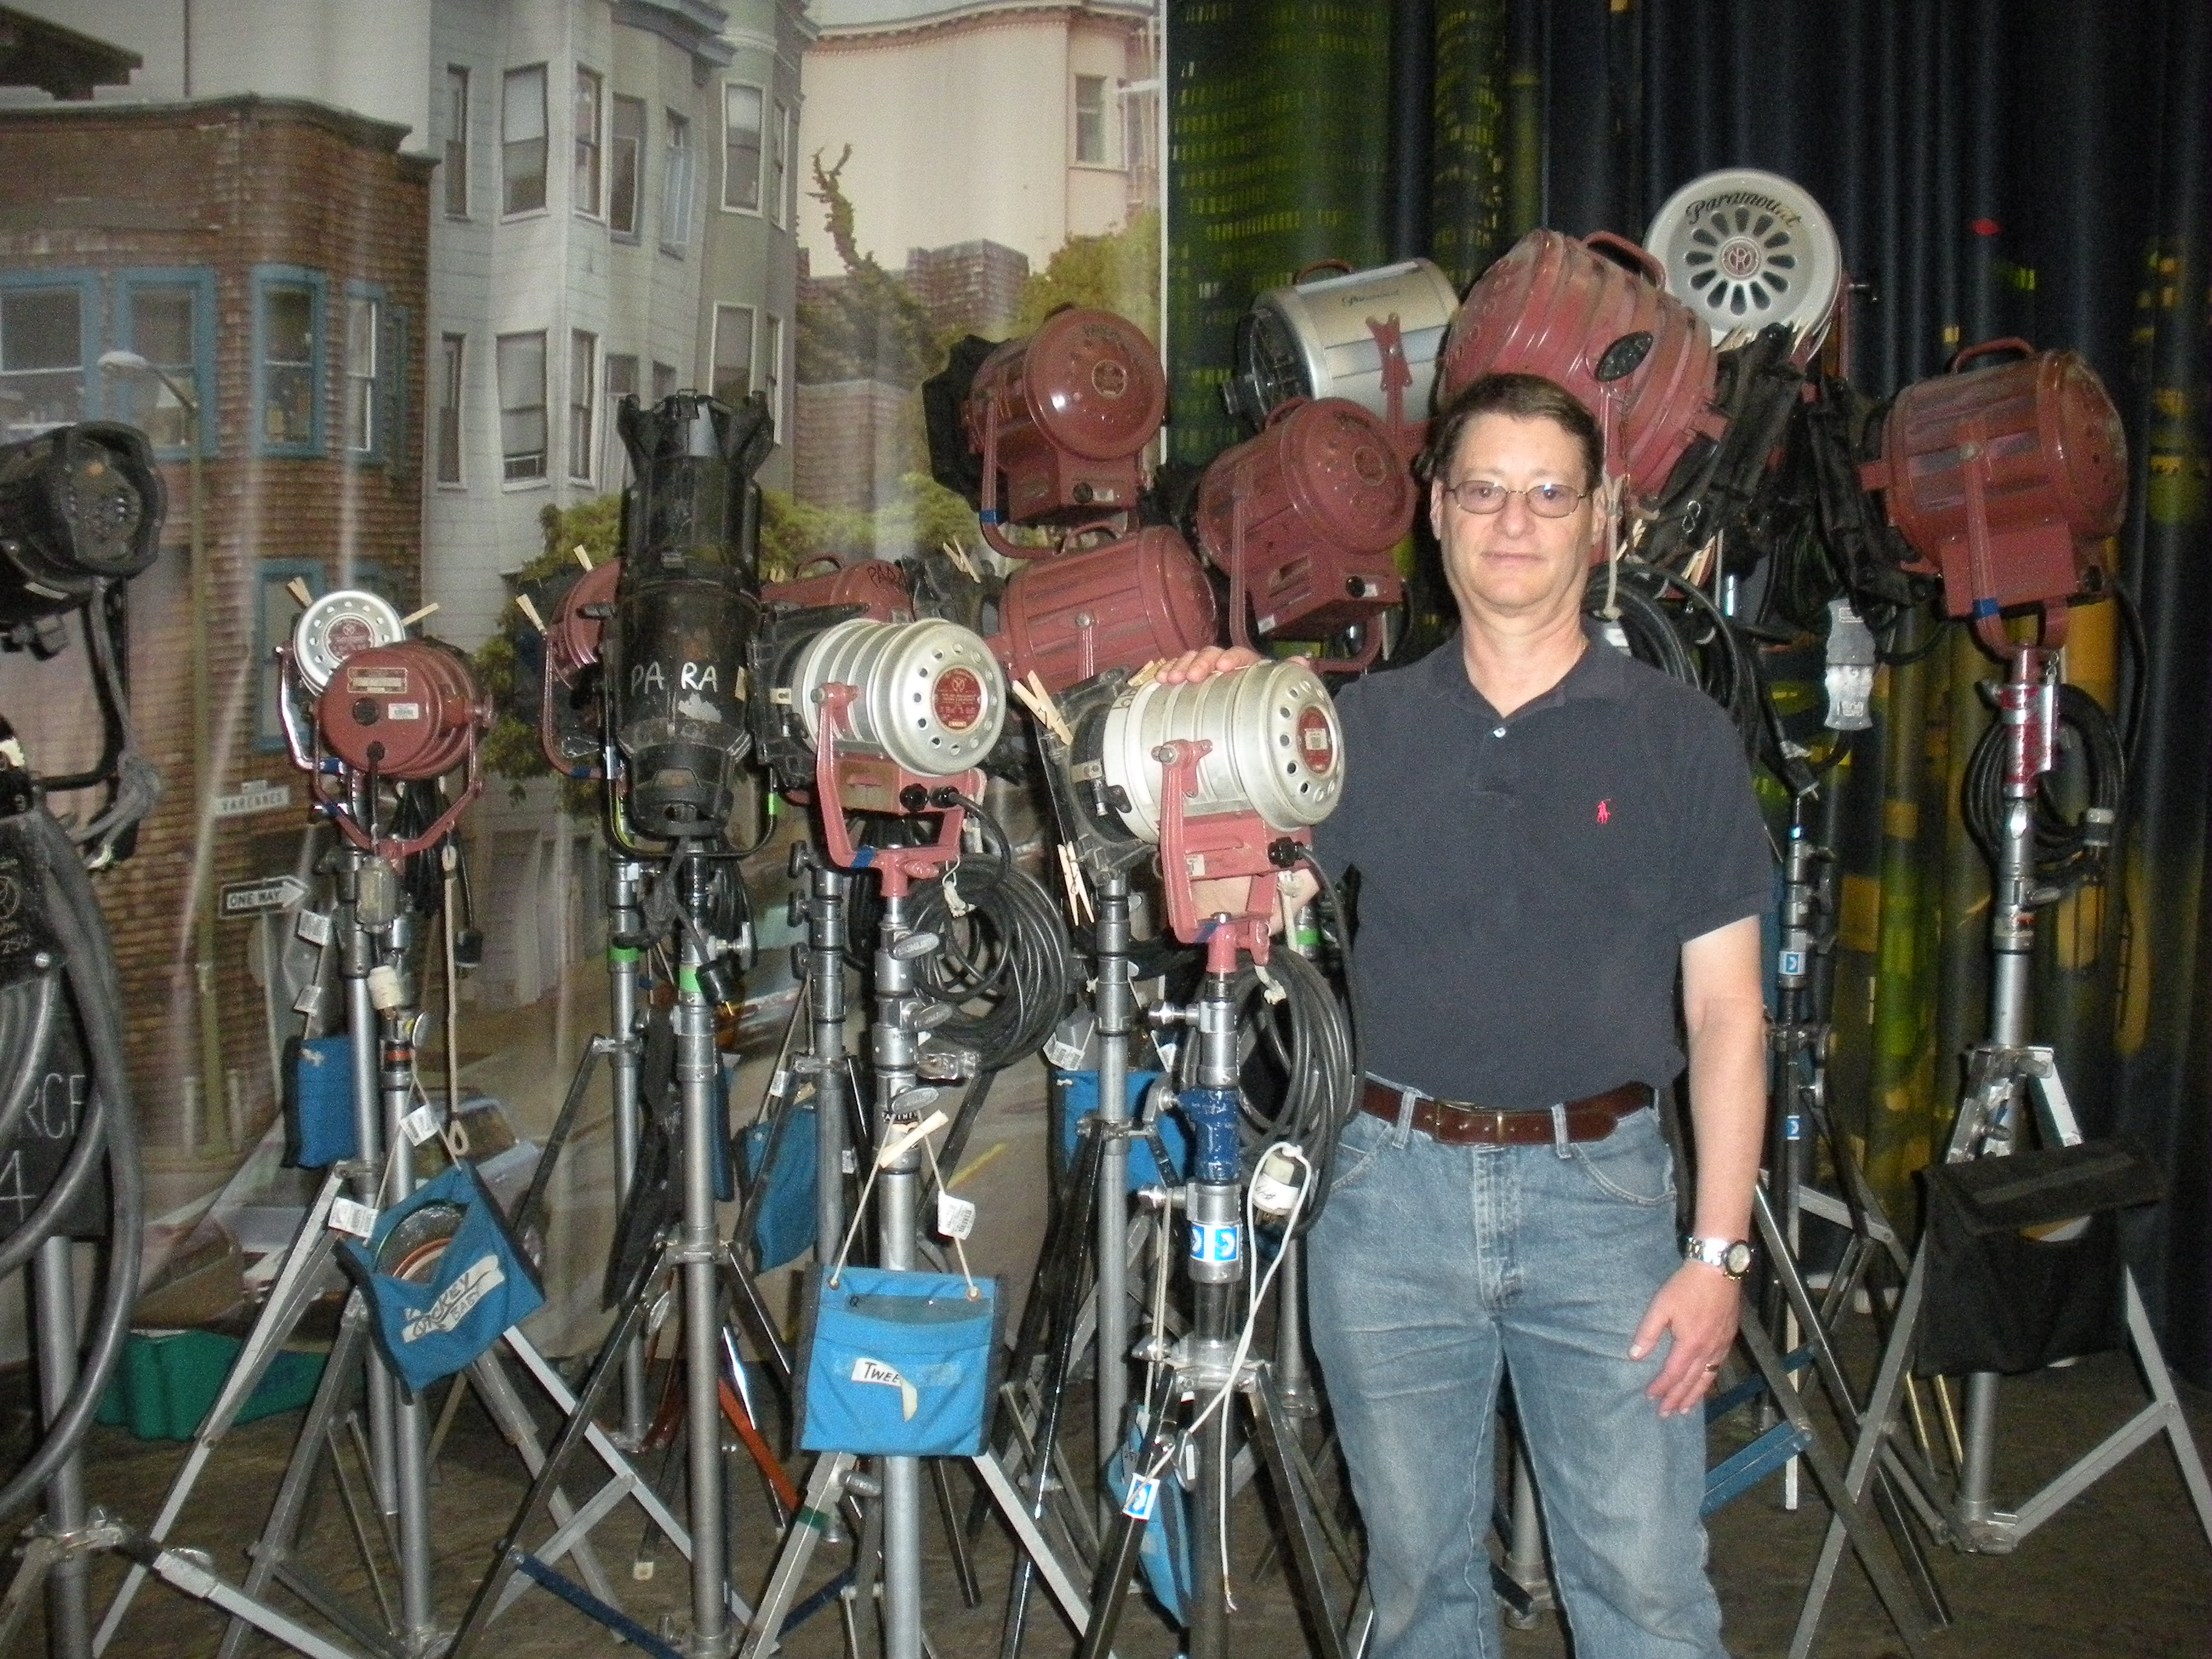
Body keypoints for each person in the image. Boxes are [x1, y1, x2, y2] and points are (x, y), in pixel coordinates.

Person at [1162, 371, 1771, 1658]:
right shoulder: (1349, 734)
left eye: (1549, 495)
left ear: (1599, 518)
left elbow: (1727, 1016)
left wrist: (1717, 1258)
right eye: (1483, 491)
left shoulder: (1678, 739)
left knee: (1648, 1597)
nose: (1514, 522)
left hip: (1604, 1206)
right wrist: (1213, 732)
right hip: (1388, 1203)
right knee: (1419, 1593)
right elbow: (1228, 906)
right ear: (1435, 512)